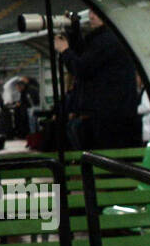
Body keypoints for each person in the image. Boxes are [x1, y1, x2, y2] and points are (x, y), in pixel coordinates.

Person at [53, 9, 141, 150]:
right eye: (91, 12)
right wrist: (74, 31)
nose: (91, 16)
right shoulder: (106, 38)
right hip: (111, 115)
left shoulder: (107, 41)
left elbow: (82, 68)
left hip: (108, 118)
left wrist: (64, 51)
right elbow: (84, 54)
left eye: (96, 13)